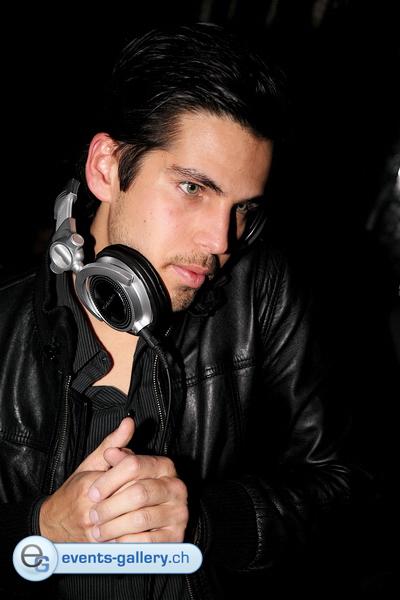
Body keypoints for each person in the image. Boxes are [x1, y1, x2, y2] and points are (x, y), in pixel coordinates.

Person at [0, 23, 353, 599]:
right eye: (193, 188)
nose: (221, 241)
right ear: (107, 167)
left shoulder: (262, 292)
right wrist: (39, 528)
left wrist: (207, 521)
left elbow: (347, 490)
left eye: (244, 208)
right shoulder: (6, 323)